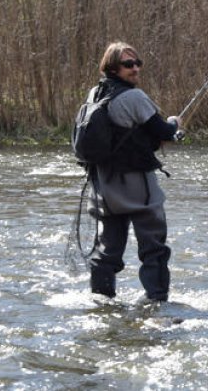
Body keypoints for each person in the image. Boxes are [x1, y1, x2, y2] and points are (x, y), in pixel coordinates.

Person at [82, 42, 182, 302]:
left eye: (138, 63)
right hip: (137, 185)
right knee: (154, 246)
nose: (135, 68)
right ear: (112, 67)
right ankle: (156, 300)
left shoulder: (95, 93)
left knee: (108, 249)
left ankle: (101, 300)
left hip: (104, 184)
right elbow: (163, 131)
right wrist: (175, 123)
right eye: (128, 64)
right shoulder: (134, 97)